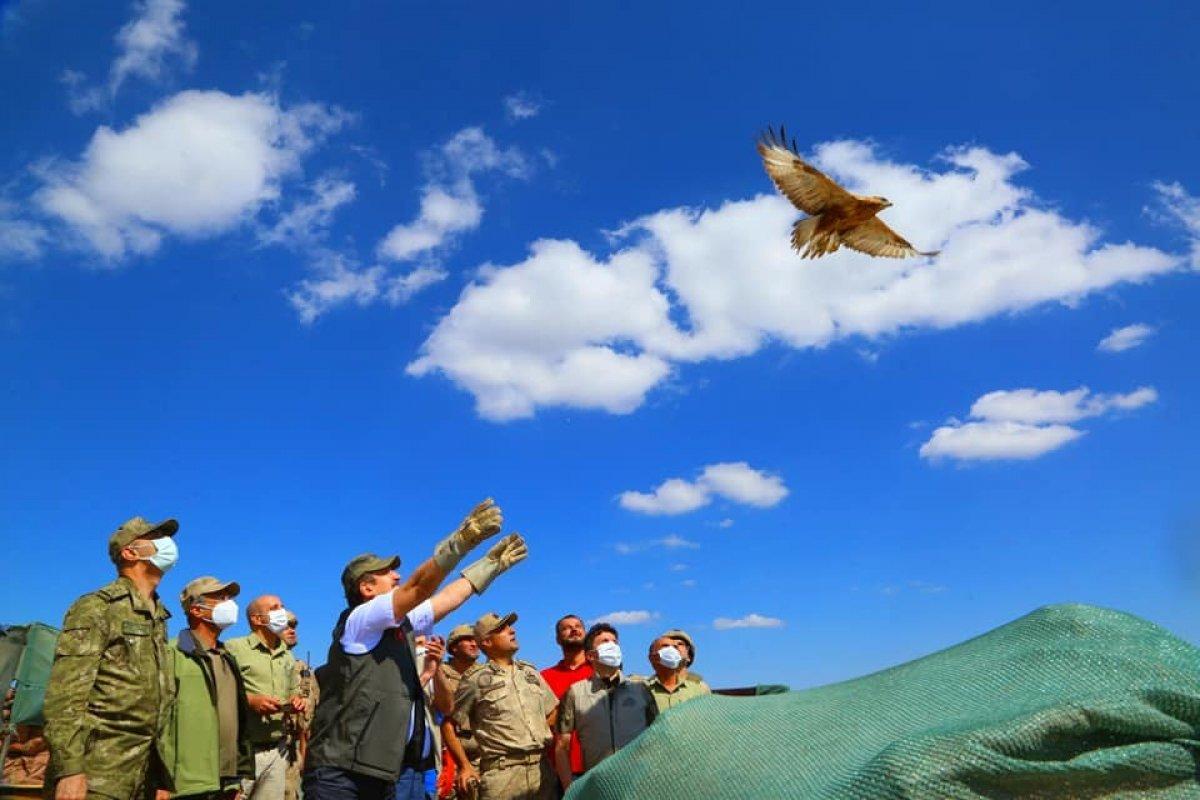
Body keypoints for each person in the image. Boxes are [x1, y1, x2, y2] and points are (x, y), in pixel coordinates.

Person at [303, 499, 525, 800]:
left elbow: (446, 598)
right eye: (387, 573)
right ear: (367, 588)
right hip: (340, 773)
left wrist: (490, 566)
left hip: (380, 772)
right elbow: (417, 588)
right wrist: (460, 542)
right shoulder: (360, 620)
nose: (397, 576)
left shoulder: (401, 624)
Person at [43, 516, 179, 800]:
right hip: (98, 777)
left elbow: (159, 704)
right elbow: (65, 695)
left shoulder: (159, 617)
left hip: (143, 776)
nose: (168, 544)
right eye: (155, 538)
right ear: (130, 552)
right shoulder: (97, 607)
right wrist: (70, 771)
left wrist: (161, 774)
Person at [161, 576, 255, 800]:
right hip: (185, 785)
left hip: (225, 783)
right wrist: (160, 779)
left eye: (229, 597)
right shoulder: (172, 653)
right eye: (219, 598)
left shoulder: (227, 658)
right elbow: (158, 720)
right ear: (196, 610)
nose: (229, 603)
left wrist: (236, 778)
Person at [449, 613, 558, 800]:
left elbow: (553, 709)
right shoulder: (475, 680)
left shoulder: (530, 672)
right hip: (502, 774)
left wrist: (538, 731)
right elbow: (448, 724)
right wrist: (465, 766)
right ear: (487, 642)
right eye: (502, 629)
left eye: (510, 626)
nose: (512, 630)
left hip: (542, 770)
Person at [553, 624, 655, 792]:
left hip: (639, 784)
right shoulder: (575, 693)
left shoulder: (641, 689)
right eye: (605, 641)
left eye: (615, 641)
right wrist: (569, 789)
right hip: (598, 786)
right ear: (591, 656)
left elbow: (656, 736)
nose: (612, 645)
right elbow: (562, 747)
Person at [226, 595, 305, 800]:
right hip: (243, 752)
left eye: (283, 606)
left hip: (277, 751)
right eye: (274, 608)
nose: (282, 611)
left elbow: (291, 691)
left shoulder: (286, 655)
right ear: (257, 619)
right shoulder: (234, 648)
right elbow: (220, 691)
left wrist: (295, 700)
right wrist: (250, 701)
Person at [538, 616, 591, 788]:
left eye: (578, 626)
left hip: (597, 764)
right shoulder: (544, 677)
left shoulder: (600, 671)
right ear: (557, 639)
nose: (574, 629)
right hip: (558, 769)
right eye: (566, 628)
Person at [436, 625, 479, 798]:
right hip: (447, 756)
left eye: (476, 640)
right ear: (454, 647)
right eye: (468, 640)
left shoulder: (485, 675)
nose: (474, 644)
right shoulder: (439, 674)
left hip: (480, 755)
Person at [283, 612, 319, 800]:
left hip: (295, 753)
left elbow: (309, 722)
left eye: (294, 626)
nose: (291, 630)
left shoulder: (303, 670)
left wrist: (305, 757)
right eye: (286, 625)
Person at [642, 634, 711, 714]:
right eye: (665, 646)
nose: (672, 650)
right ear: (652, 657)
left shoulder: (700, 689)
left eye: (678, 645)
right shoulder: (642, 689)